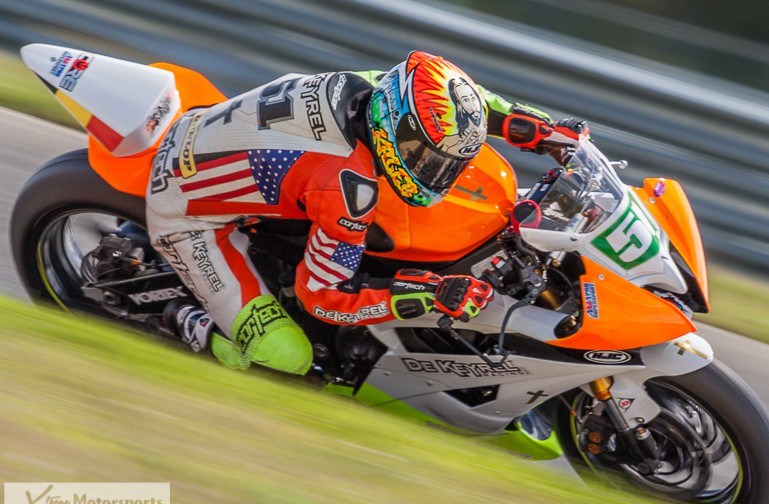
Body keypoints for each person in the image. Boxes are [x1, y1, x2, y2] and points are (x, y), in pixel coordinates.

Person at [146, 50, 589, 374]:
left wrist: (543, 130)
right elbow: (323, 296)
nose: (439, 173)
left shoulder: (377, 87)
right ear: (396, 128)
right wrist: (431, 293)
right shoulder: (346, 186)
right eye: (428, 158)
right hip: (185, 216)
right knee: (287, 361)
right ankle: (182, 319)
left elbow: (466, 104)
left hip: (209, 131)